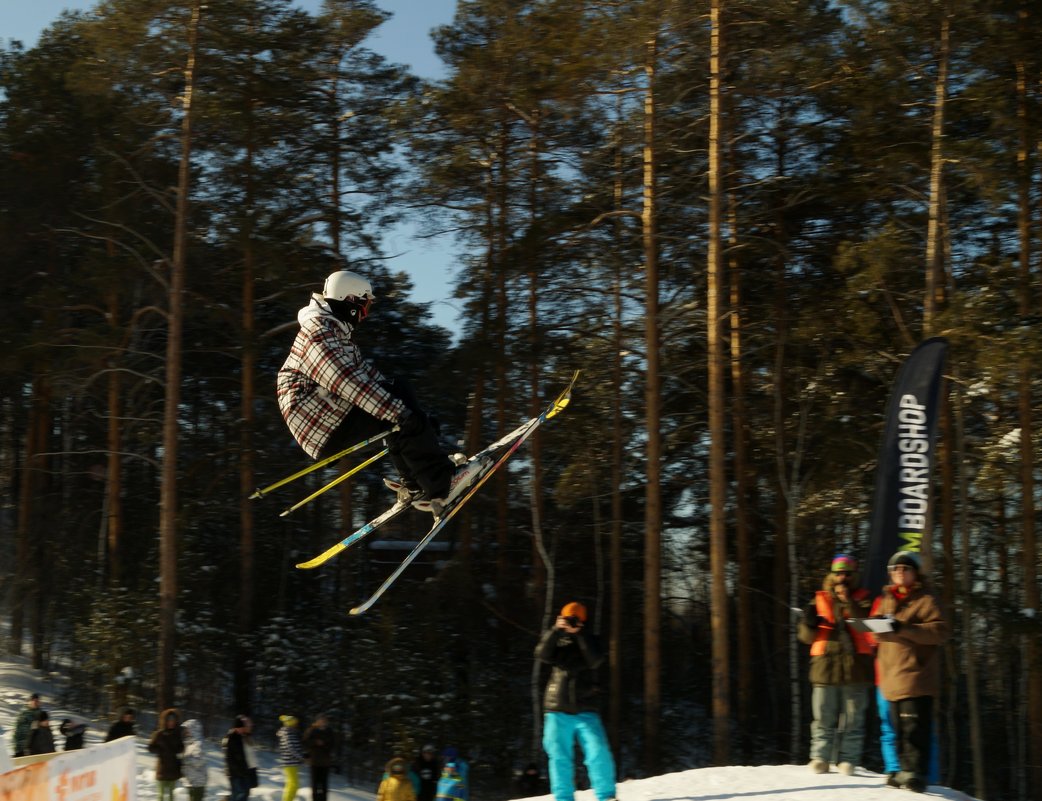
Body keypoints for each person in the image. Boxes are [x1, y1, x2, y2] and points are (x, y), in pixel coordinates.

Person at [276, 268, 485, 516]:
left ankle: (418, 483)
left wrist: (418, 419)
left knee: (398, 398)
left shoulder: (332, 332)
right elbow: (346, 381)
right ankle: (441, 483)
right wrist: (401, 413)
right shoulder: (319, 335)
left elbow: (371, 379)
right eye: (364, 307)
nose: (364, 315)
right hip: (321, 424)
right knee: (396, 411)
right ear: (350, 302)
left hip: (326, 417)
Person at [871, 550, 951, 794]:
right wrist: (875, 626)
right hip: (891, 674)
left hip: (917, 675)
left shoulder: (927, 598)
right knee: (897, 728)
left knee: (915, 728)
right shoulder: (887, 598)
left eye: (905, 569)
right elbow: (880, 632)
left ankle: (916, 772)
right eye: (895, 570)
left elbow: (940, 631)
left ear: (915, 573)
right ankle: (901, 770)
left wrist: (903, 627)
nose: (900, 573)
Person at [796, 553, 874, 775]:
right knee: (823, 717)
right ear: (832, 575)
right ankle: (820, 757)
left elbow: (867, 626)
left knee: (853, 720)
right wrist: (809, 623)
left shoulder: (865, 599)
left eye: (847, 574)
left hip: (856, 669)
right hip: (825, 668)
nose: (842, 578)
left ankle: (848, 759)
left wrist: (849, 600)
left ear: (854, 576)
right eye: (839, 573)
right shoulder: (819, 599)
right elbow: (805, 636)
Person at [535, 601, 617, 801]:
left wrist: (580, 634)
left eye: (576, 618)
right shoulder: (557, 639)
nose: (571, 621)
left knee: (598, 751)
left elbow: (595, 660)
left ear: (583, 620)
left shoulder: (592, 640)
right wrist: (555, 630)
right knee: (559, 756)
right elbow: (541, 654)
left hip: (586, 707)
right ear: (561, 617)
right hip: (556, 706)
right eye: (568, 618)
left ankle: (606, 796)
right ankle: (563, 798)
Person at [148, 708, 185, 801]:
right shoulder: (159, 734)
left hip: (173, 769)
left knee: (171, 796)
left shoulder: (178, 734)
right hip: (162, 769)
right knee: (161, 795)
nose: (171, 723)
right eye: (169, 720)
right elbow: (151, 747)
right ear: (165, 721)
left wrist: (179, 750)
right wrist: (160, 750)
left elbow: (182, 747)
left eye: (173, 720)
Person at [224, 715, 258, 801]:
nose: (246, 728)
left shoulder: (245, 737)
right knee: (239, 794)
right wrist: (240, 772)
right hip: (237, 774)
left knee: (243, 794)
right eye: (245, 726)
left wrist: (252, 773)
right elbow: (230, 759)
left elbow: (251, 757)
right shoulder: (231, 738)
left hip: (246, 772)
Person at [303, 714, 336, 801]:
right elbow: (306, 742)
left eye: (324, 720)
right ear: (317, 721)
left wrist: (324, 744)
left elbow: (333, 744)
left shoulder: (329, 731)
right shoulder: (311, 730)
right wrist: (315, 742)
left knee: (324, 785)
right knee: (315, 785)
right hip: (314, 761)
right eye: (321, 720)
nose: (322, 722)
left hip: (325, 762)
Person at [277, 715, 306, 801]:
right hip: (290, 763)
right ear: (290, 724)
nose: (296, 725)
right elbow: (291, 749)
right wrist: (301, 757)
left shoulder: (291, 733)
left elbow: (296, 747)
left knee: (291, 785)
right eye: (295, 724)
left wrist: (302, 755)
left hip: (293, 763)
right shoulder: (287, 734)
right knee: (294, 785)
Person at [181, 719, 208, 801]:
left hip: (198, 782)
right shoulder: (190, 743)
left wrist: (185, 759)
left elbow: (199, 760)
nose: (185, 731)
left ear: (193, 729)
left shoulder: (199, 743)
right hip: (192, 781)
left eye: (187, 729)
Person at [12, 693, 41, 757]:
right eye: (33, 700)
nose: (35, 702)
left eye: (37, 701)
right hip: (23, 749)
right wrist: (19, 748)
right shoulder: (24, 714)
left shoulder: (41, 715)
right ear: (29, 702)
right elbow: (18, 731)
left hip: (38, 749)